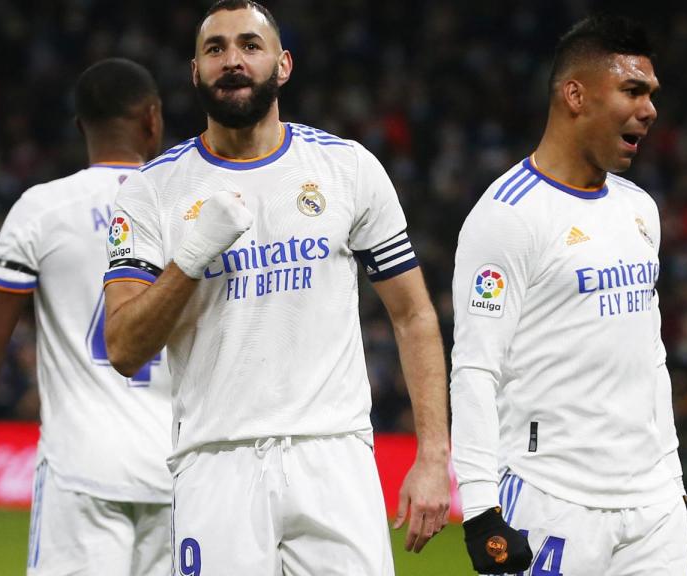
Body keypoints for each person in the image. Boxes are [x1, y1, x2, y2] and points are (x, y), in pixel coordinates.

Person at [102, 1, 451, 574]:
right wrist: (193, 254)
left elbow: (413, 315)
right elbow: (122, 347)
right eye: (215, 49)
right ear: (195, 71)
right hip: (216, 462)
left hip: (333, 456)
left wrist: (434, 455)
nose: (232, 60)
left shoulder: (347, 168)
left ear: (283, 64)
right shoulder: (151, 191)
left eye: (249, 45)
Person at [450, 15, 687, 574]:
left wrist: (675, 487)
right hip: (552, 498)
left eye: (652, 93)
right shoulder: (507, 217)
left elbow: (651, 359)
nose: (650, 109)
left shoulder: (639, 209)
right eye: (633, 90)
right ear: (575, 95)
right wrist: (479, 510)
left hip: (652, 507)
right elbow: (475, 369)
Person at [0, 58, 173, 575]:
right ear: (152, 118)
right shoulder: (189, 208)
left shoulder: (42, 209)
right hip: (177, 471)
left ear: (81, 127)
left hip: (80, 470)